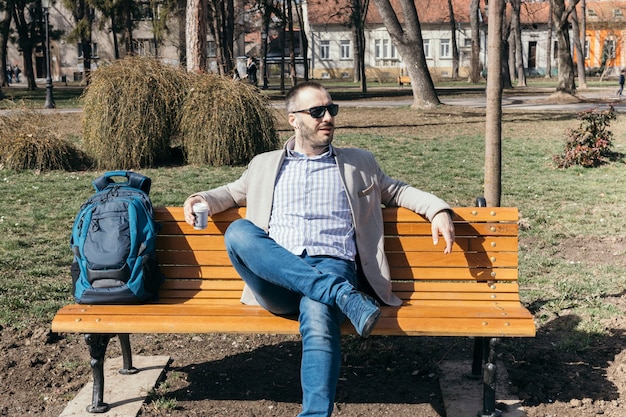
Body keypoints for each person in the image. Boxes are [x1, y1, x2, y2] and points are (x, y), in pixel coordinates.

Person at [183, 81, 455, 417]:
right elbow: (230, 192)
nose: (327, 117)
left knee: (316, 309)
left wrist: (438, 210)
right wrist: (200, 199)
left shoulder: (359, 163)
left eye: (331, 110)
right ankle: (342, 296)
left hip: (332, 265)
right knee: (239, 231)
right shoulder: (264, 164)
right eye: (317, 111)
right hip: (277, 277)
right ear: (293, 119)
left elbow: (397, 191)